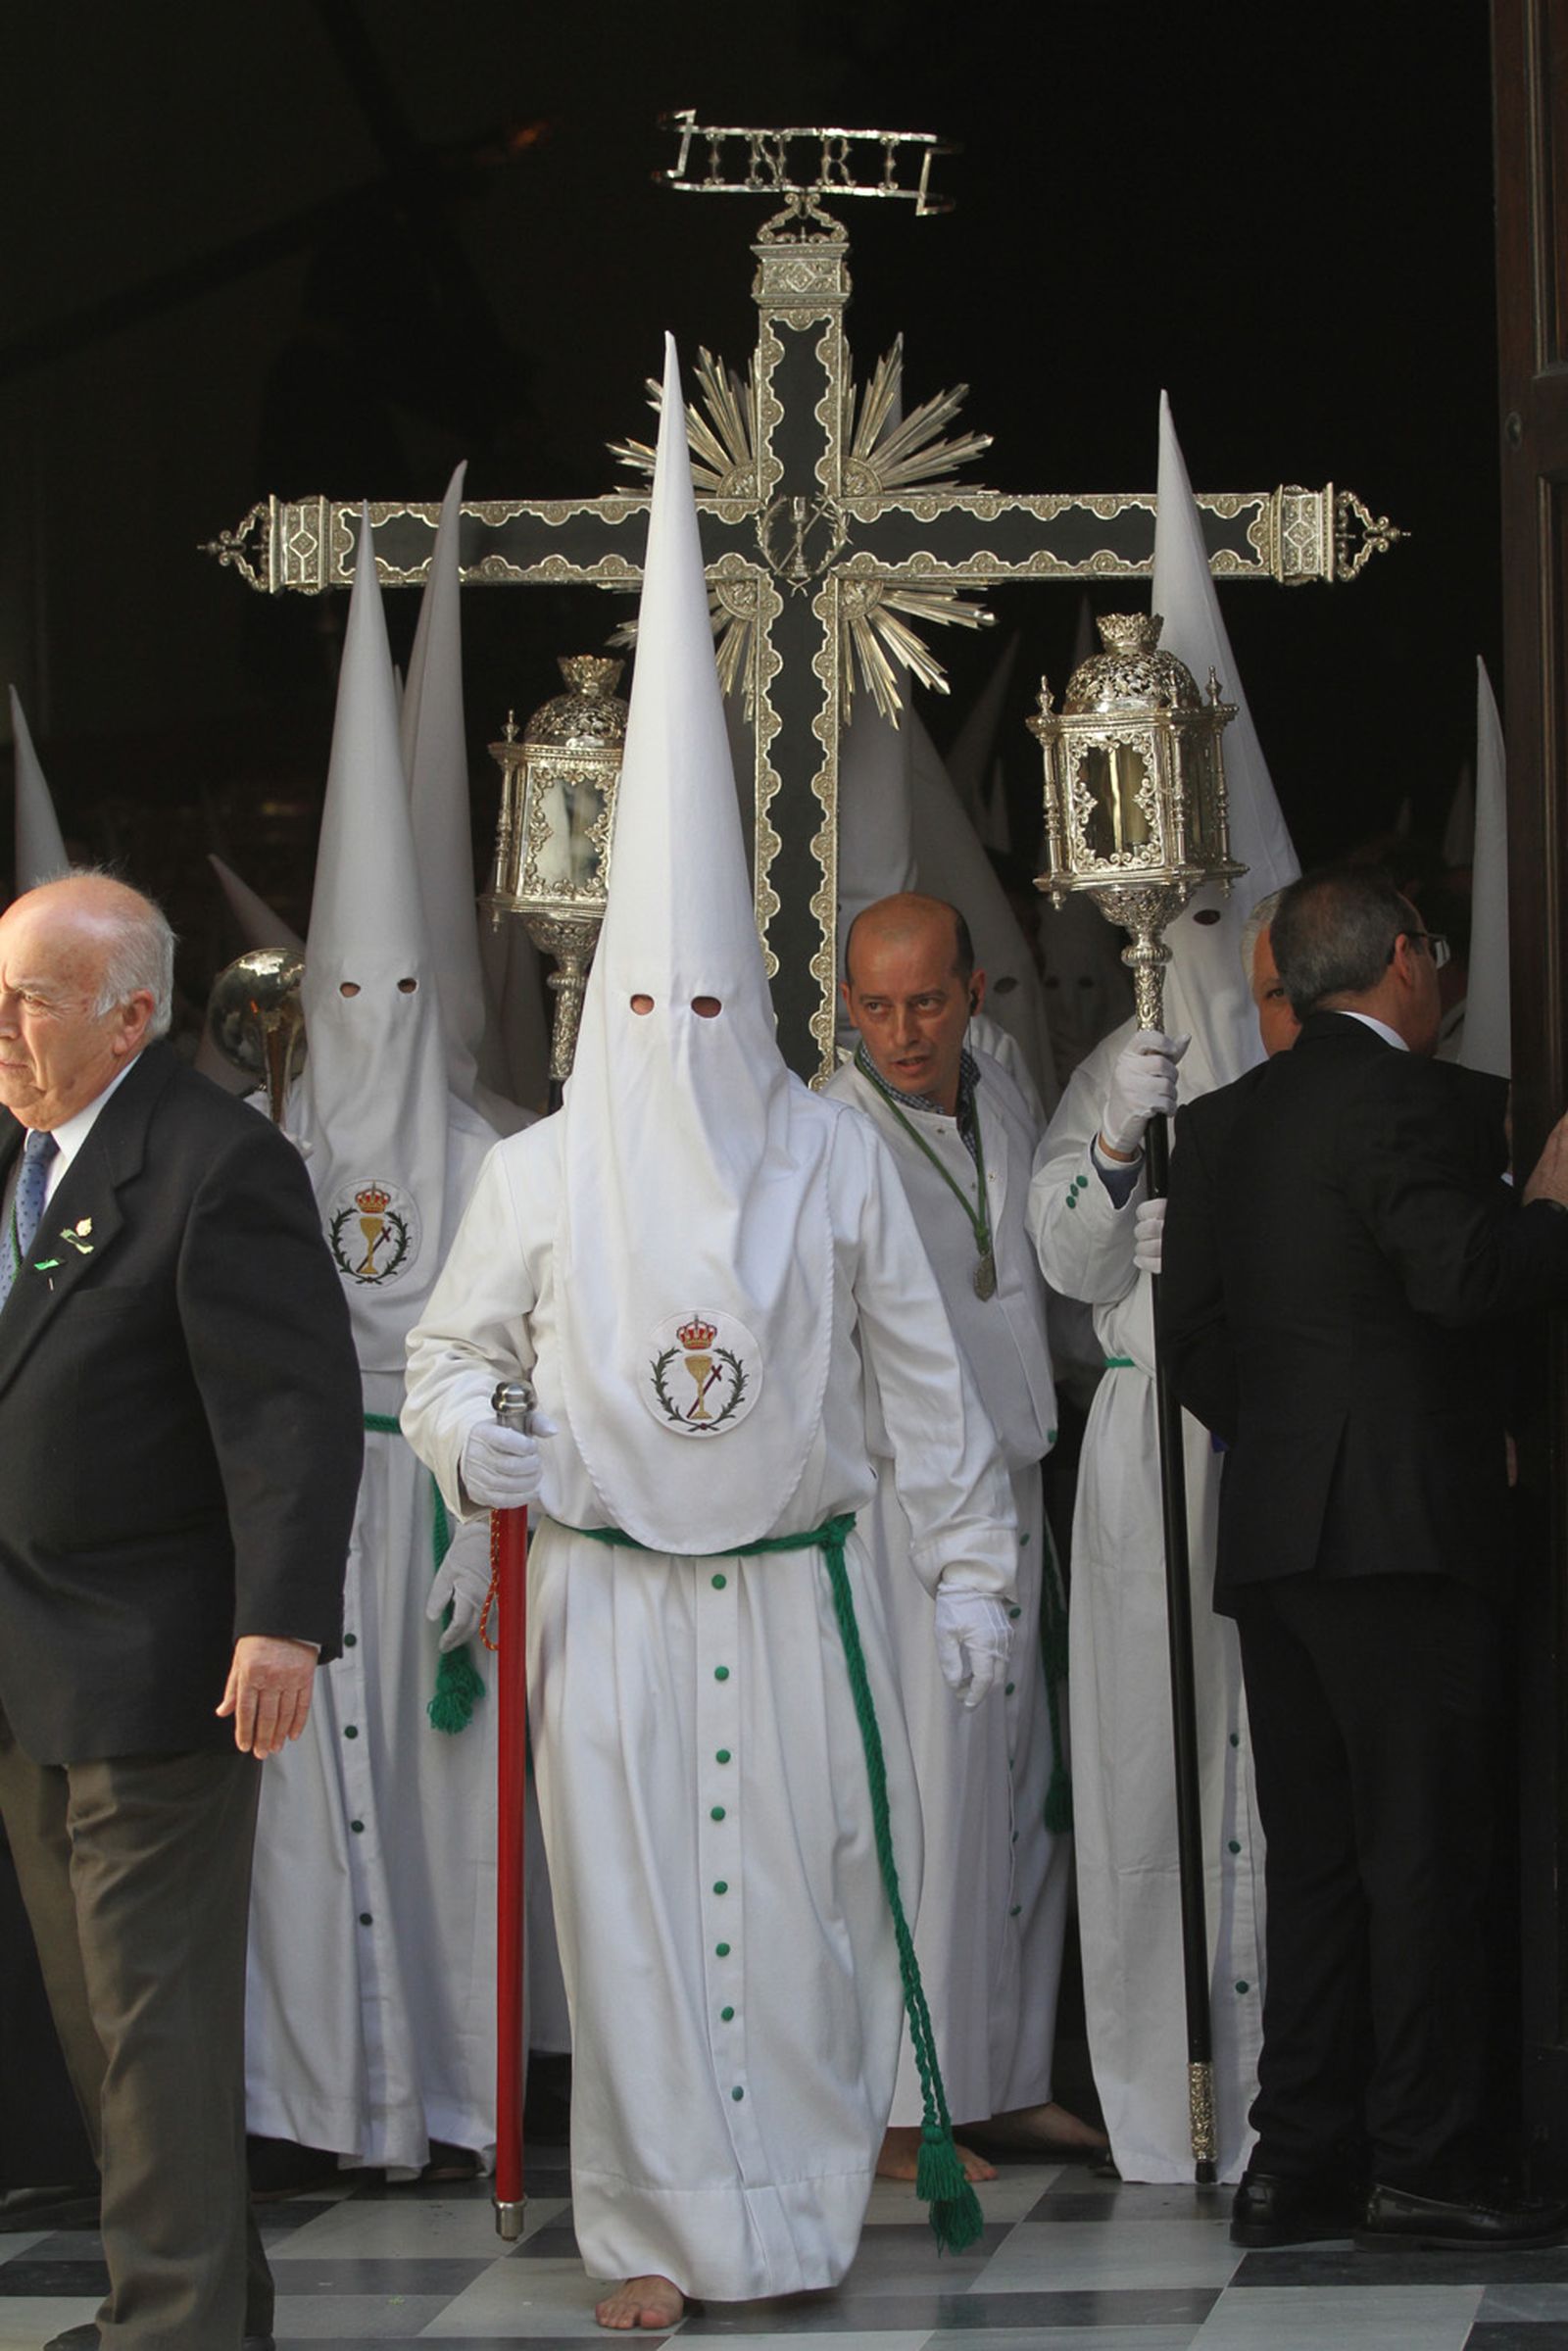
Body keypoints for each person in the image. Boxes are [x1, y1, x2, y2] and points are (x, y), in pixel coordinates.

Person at [404, 339, 1016, 2332]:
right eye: (639, 1015)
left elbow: (920, 1383)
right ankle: (655, 2238)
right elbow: (448, 1361)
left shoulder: (831, 1165)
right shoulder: (535, 1172)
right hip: (605, 1598)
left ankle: (805, 2207)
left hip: (794, 1596)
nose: (669, 1050)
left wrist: (970, 1574)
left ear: (746, 1014)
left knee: (813, 1919)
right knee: (645, 1931)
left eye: (700, 1015)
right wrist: (467, 1441)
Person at [1159, 862, 1568, 2250]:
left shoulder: (1219, 1124)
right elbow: (1459, 1274)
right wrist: (1554, 1213)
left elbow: (1192, 1341)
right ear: (1404, 960)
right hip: (1406, 1538)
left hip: (1278, 1541)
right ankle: (1429, 2159)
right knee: (1423, 1855)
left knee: (1318, 1861)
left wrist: (1291, 1450)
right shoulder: (1409, 1097)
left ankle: (1297, 2165)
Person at [0, 872, 362, 2351]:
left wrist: (280, 1622)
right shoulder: (33, 1156)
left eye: (29, 999)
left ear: (133, 1015)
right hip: (33, 1662)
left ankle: (172, 2330)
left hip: (157, 1670)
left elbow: (293, 1408)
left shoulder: (216, 1164)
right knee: (104, 2026)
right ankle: (200, 2307)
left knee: (153, 2023)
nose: (3, 1029)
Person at [829, 890, 1102, 2177]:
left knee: (1017, 1800)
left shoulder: (996, 1096)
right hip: (909, 1505)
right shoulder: (828, 1133)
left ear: (975, 991)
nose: (901, 1031)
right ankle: (901, 2101)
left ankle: (1001, 2077)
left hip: (1020, 1483)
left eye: (925, 1000)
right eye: (874, 1006)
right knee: (926, 1802)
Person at [1027, 912, 1290, 2182]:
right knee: (1148, 1746)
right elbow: (1065, 1259)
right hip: (1147, 1444)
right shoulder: (1110, 1072)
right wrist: (1121, 1145)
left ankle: (1285, 2092)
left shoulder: (1297, 1060)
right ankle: (1164, 2102)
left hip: (1275, 1422)